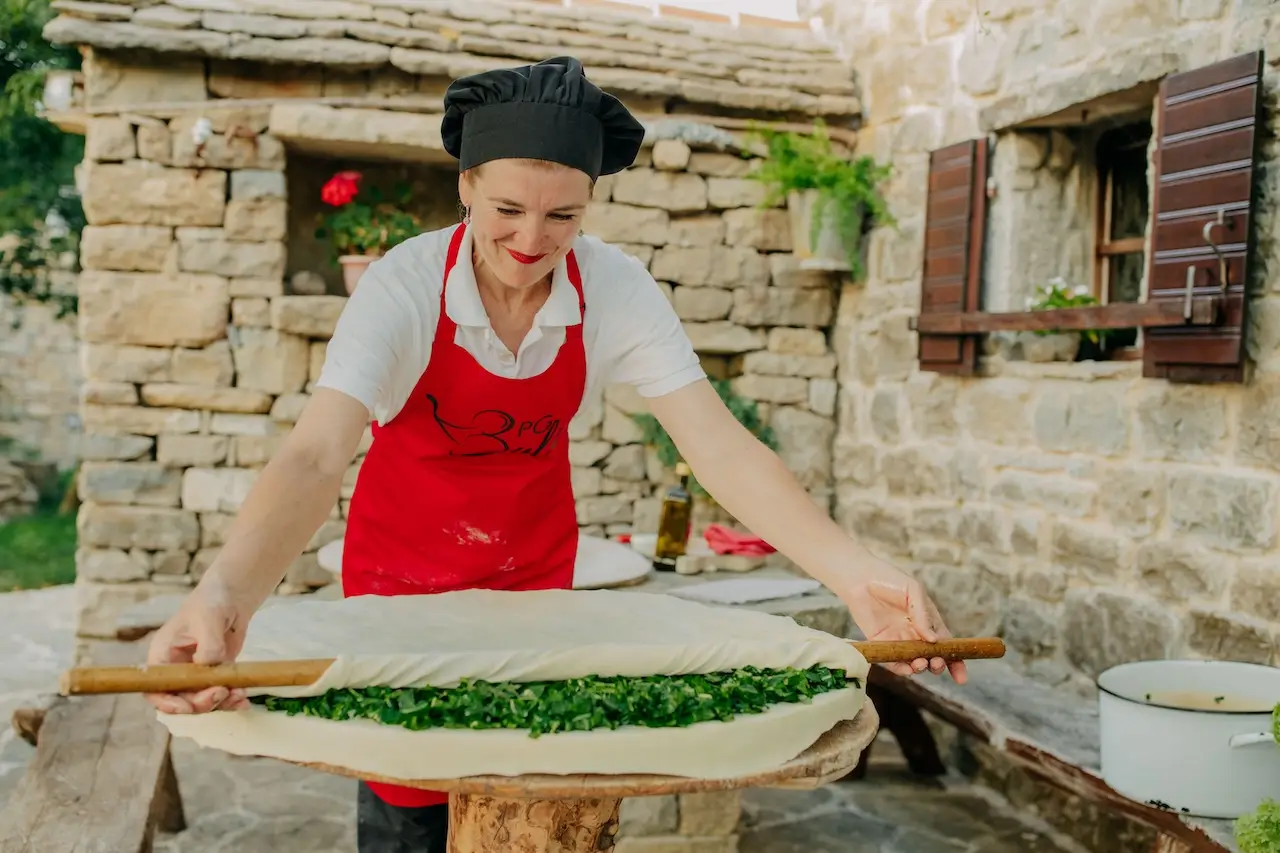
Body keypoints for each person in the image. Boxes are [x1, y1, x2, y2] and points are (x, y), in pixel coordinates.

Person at [145, 56, 965, 852]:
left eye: (563, 215)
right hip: (401, 593)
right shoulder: (401, 286)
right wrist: (226, 591)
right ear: (464, 185)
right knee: (409, 802)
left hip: (534, 592)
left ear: (591, 202)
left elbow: (719, 447)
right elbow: (317, 455)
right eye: (506, 208)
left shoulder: (614, 290)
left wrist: (855, 573)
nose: (532, 239)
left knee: (536, 795)